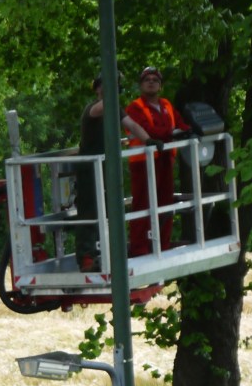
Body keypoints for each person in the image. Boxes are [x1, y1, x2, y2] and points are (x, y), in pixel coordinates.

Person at [75, 74, 153, 271]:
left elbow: (132, 126)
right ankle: (86, 258)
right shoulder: (93, 109)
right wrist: (112, 89)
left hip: (106, 168)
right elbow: (104, 106)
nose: (110, 90)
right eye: (105, 86)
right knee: (89, 212)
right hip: (89, 169)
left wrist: (149, 141)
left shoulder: (114, 109)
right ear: (97, 90)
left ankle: (108, 251)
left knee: (111, 210)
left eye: (113, 87)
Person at [125, 66, 192, 256]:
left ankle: (162, 244)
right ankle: (139, 247)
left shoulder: (167, 105)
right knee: (142, 204)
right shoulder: (134, 107)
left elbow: (179, 123)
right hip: (143, 162)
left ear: (160, 85)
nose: (152, 82)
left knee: (166, 203)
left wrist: (188, 130)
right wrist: (173, 133)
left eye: (155, 79)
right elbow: (148, 130)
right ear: (141, 85)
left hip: (165, 159)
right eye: (147, 79)